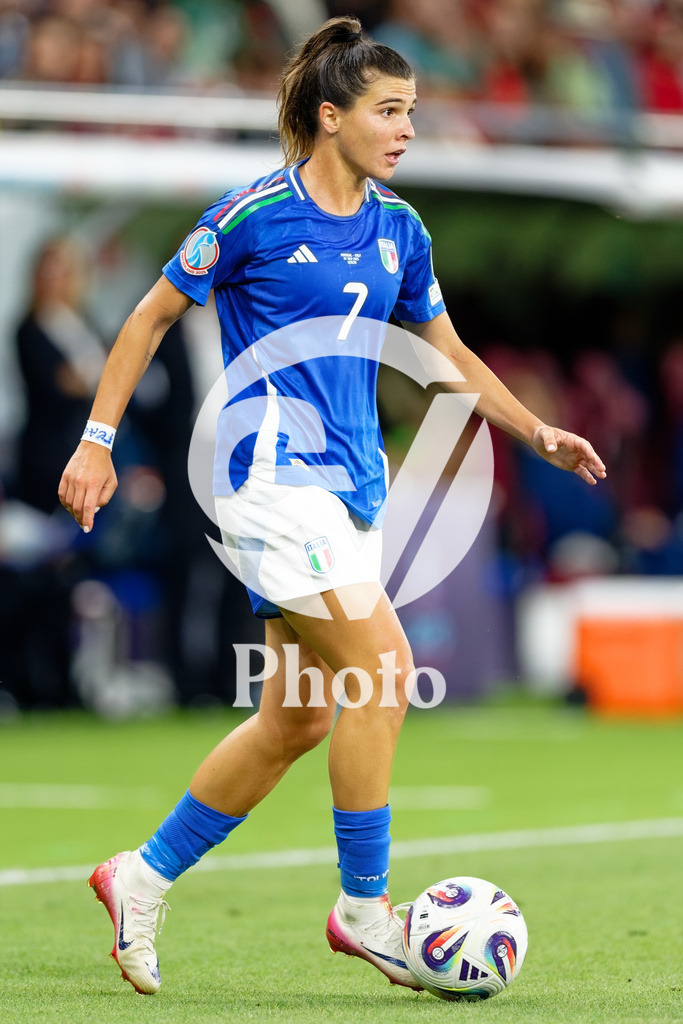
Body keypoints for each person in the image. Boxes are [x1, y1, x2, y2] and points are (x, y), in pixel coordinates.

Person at [58, 16, 606, 996]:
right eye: (387, 111)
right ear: (328, 116)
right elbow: (146, 317)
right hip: (267, 484)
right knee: (384, 670)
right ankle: (363, 909)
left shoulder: (399, 228)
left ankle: (138, 873)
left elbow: (447, 353)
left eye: (410, 112)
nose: (404, 129)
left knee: (296, 719)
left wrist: (533, 429)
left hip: (351, 495)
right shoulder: (253, 214)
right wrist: (96, 441)